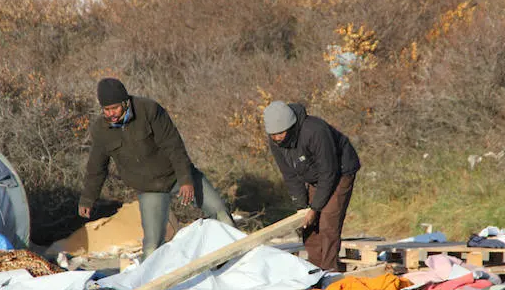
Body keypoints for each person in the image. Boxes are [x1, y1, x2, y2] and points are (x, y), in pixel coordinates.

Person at [79, 78, 235, 259]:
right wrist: (88, 199)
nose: (111, 114)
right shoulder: (100, 129)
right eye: (106, 110)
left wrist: (185, 180)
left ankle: (236, 260)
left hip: (177, 174)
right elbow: (96, 167)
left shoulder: (149, 110)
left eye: (115, 108)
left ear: (125, 102)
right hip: (149, 188)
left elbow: (174, 146)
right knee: (152, 247)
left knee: (221, 214)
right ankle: (151, 284)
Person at [263, 101, 360, 271]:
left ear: (291, 127)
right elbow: (290, 175)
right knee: (308, 225)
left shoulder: (315, 131)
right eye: (273, 135)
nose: (277, 138)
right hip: (315, 175)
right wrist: (302, 207)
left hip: (340, 172)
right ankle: (316, 270)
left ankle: (330, 272)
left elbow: (328, 172)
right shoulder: (276, 142)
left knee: (328, 223)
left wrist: (314, 208)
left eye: (281, 133)